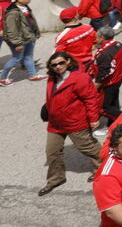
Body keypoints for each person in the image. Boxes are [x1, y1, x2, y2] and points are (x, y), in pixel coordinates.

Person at [40, 51, 101, 196]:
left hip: (75, 121)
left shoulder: (80, 78)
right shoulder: (52, 77)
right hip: (56, 123)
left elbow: (91, 99)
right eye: (54, 65)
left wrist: (93, 119)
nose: (58, 67)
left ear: (68, 61)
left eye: (61, 63)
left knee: (89, 148)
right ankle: (56, 179)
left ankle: (104, 169)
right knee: (52, 152)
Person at [0, 0, 46, 84]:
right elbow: (11, 30)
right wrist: (17, 43)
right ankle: (2, 78)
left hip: (28, 37)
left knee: (28, 57)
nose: (30, 0)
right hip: (19, 40)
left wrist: (37, 32)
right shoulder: (13, 12)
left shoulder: (25, 7)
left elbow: (30, 21)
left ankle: (32, 75)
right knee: (16, 58)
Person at [88, 26, 122, 134]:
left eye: (97, 37)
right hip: (118, 78)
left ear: (102, 38)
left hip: (109, 83)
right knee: (113, 102)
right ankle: (112, 125)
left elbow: (104, 72)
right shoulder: (118, 45)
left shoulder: (105, 54)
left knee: (104, 107)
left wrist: (96, 85)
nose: (96, 39)